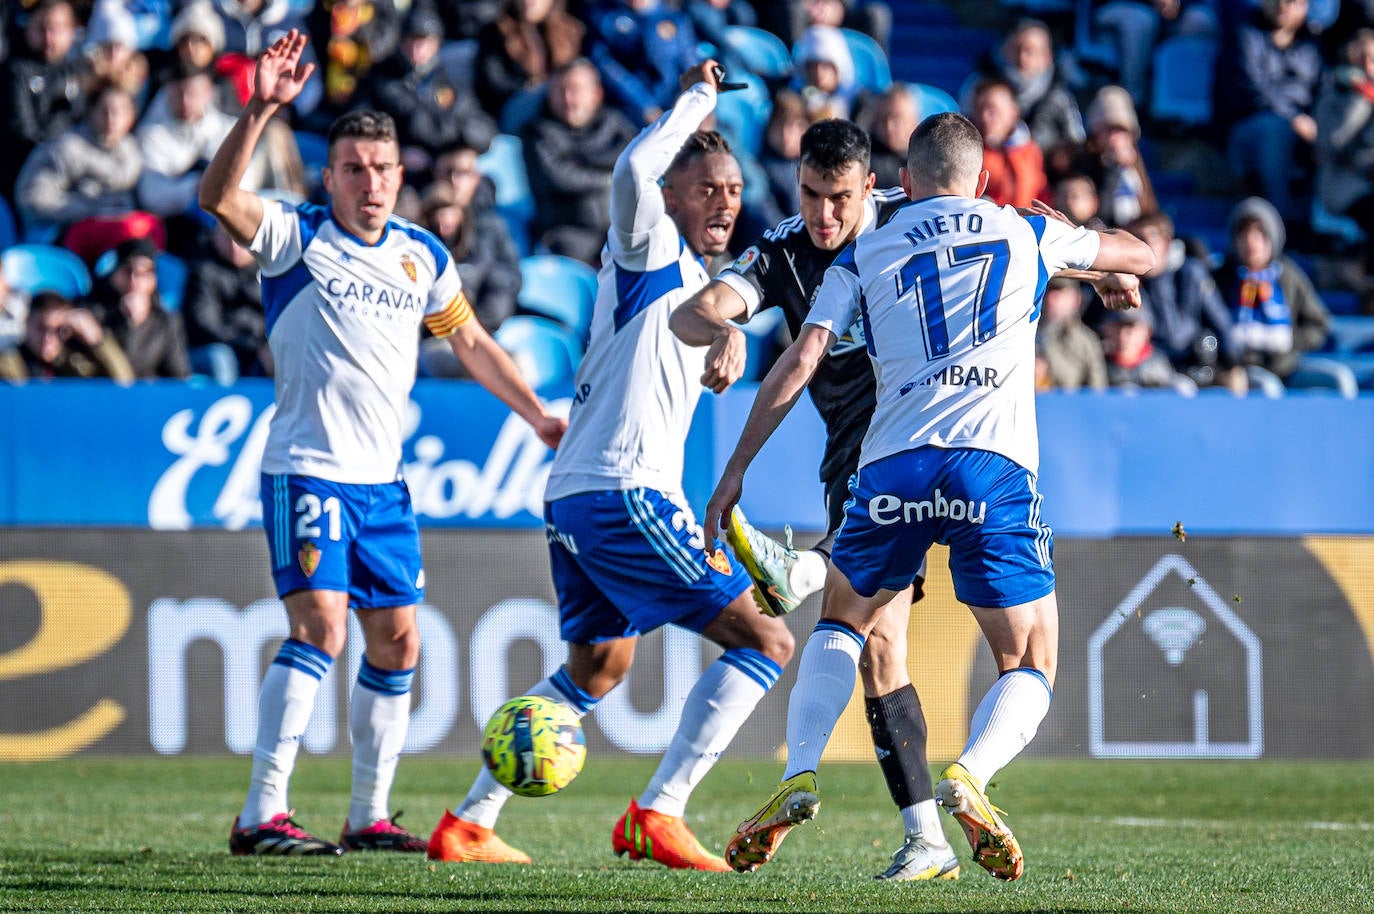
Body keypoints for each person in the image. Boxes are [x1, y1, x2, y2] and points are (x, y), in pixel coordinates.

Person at [702, 111, 1153, 881]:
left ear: (902, 185)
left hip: (892, 468)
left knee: (844, 620)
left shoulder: (863, 250)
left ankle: (801, 769)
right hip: (991, 465)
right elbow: (1144, 253)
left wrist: (737, 467)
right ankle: (970, 774)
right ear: (983, 181)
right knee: (1030, 654)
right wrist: (1086, 250)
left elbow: (804, 357)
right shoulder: (1023, 231)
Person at [198, 30, 566, 856]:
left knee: (399, 640)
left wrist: (535, 414)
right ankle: (260, 813)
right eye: (354, 169)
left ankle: (367, 816)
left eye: (383, 169)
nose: (370, 182)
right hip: (308, 470)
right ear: (328, 177)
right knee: (320, 628)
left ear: (402, 177)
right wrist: (260, 110)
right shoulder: (295, 237)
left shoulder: (421, 256)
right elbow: (219, 197)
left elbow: (471, 343)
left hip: (383, 485)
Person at [427, 62, 795, 873]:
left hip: (582, 495)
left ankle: (466, 822)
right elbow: (634, 166)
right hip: (623, 490)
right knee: (766, 642)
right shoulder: (647, 243)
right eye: (707, 188)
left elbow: (701, 323)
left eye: (733, 189)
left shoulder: (706, 284)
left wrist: (730, 333)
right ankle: (658, 811)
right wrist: (697, 98)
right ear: (673, 196)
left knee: (600, 665)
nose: (725, 201)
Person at [669, 118, 961, 881]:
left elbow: (1007, 234)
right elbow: (690, 311)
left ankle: (802, 573)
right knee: (882, 650)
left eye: (839, 198)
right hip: (848, 465)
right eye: (810, 194)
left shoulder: (909, 216)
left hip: (916, 439)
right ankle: (926, 838)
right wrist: (724, 330)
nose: (824, 215)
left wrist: (1096, 271)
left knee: (856, 606)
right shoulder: (787, 251)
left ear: (871, 188)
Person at [520, 58, 637, 266]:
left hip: (623, 228)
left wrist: (585, 163)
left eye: (575, 89)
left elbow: (636, 162)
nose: (567, 99)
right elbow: (559, 177)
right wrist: (609, 179)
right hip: (568, 231)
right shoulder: (539, 133)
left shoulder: (616, 124)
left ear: (596, 94)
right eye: (560, 90)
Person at [1214, 196, 1330, 384]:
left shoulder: (1288, 275)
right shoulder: (1221, 277)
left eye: (1259, 233)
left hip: (1286, 365)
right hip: (1239, 368)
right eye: (1243, 234)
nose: (1251, 242)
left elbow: (1319, 325)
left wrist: (1288, 340)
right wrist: (1230, 341)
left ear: (1273, 237)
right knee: (1268, 387)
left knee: (1339, 380)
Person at [85, 238, 193, 380]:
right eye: (127, 271)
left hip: (149, 396)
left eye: (143, 273)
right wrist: (128, 324)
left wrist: (139, 324)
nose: (134, 281)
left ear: (153, 279)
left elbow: (179, 375)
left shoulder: (166, 320)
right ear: (114, 275)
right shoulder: (95, 314)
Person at [0, 290, 135, 383]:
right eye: (40, 328)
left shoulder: (78, 363)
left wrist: (98, 340)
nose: (48, 338)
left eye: (58, 330)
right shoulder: (10, 363)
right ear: (27, 325)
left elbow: (125, 385)